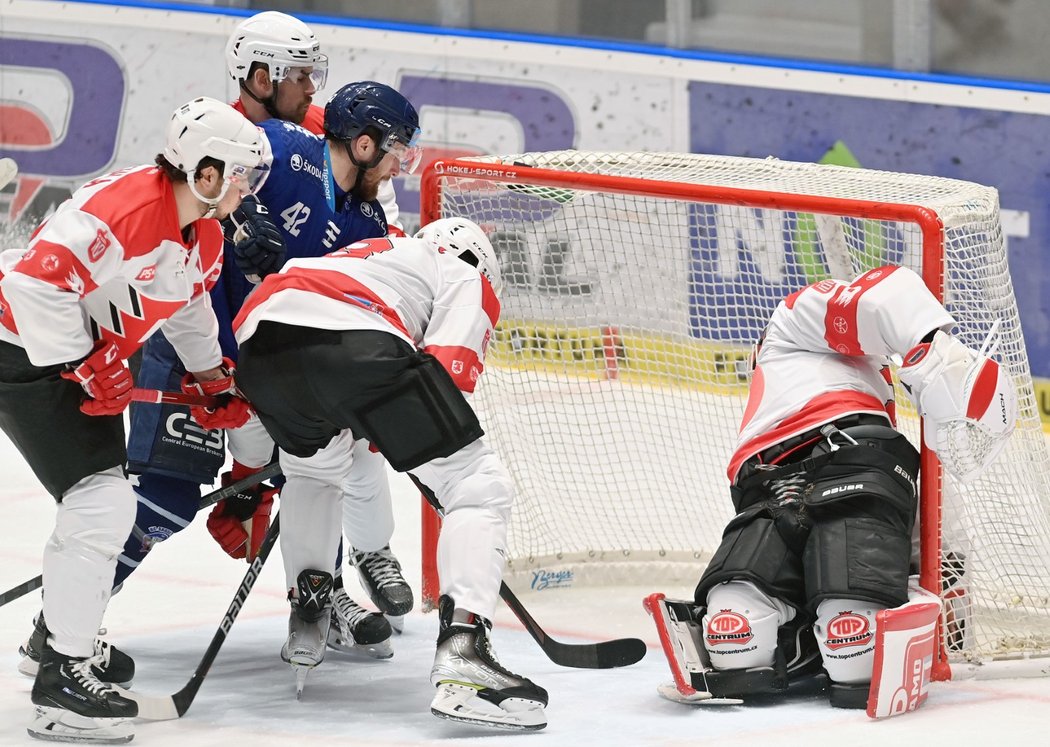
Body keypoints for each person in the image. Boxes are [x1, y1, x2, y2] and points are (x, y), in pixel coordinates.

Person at [0, 97, 263, 744]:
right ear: (205, 172)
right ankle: (61, 678)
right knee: (101, 503)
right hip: (22, 349)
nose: (247, 189)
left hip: (59, 363)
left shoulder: (201, 234)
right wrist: (87, 362)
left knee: (103, 504)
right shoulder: (125, 208)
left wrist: (211, 380)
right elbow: (35, 285)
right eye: (241, 175)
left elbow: (189, 308)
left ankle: (62, 644)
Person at [649, 265, 1017, 709]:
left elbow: (926, 523)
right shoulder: (790, 322)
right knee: (736, 635)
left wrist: (940, 598)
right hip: (773, 485)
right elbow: (886, 292)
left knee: (851, 640)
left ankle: (827, 641)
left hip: (851, 468)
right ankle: (807, 648)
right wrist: (939, 353)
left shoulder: (872, 386)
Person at [231, 218, 549, 729]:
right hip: (357, 342)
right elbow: (448, 370)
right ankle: (465, 654)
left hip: (261, 344)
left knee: (313, 475)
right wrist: (399, 430)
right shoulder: (465, 268)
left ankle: (309, 613)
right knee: (475, 485)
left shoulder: (369, 253)